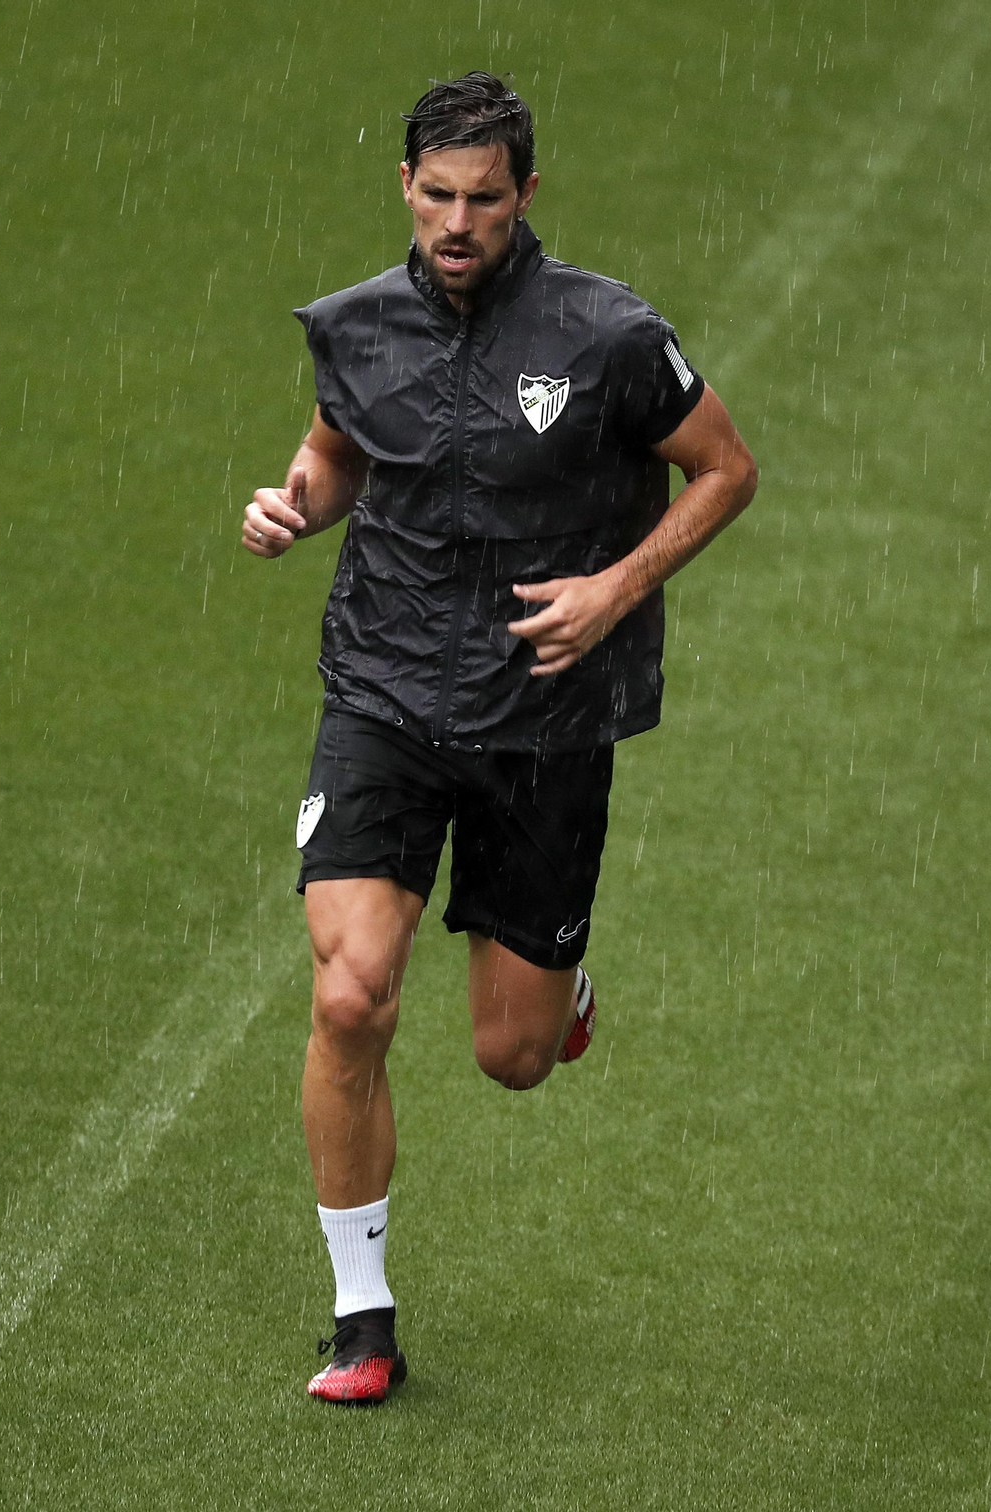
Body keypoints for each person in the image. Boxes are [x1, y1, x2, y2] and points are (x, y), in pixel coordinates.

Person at [243, 72, 757, 1406]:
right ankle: (363, 1317)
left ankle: (562, 994)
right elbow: (343, 454)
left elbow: (727, 469)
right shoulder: (356, 326)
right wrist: (300, 507)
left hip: (545, 715)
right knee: (350, 991)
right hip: (387, 690)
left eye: (484, 199)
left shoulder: (610, 336)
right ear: (403, 186)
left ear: (526, 195)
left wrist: (615, 589)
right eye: (436, 196)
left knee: (511, 1057)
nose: (457, 222)